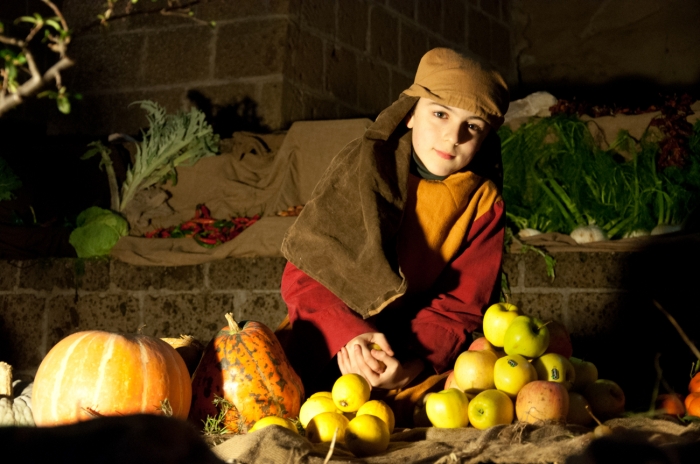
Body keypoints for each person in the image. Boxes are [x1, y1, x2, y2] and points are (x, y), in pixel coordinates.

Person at [277, 48, 509, 416]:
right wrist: (349, 335)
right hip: (336, 333)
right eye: (439, 114)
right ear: (411, 113)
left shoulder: (482, 201)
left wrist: (411, 365)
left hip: (415, 348)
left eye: (473, 126)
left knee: (460, 398)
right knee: (289, 394)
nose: (452, 137)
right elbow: (308, 268)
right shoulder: (362, 168)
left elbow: (460, 307)